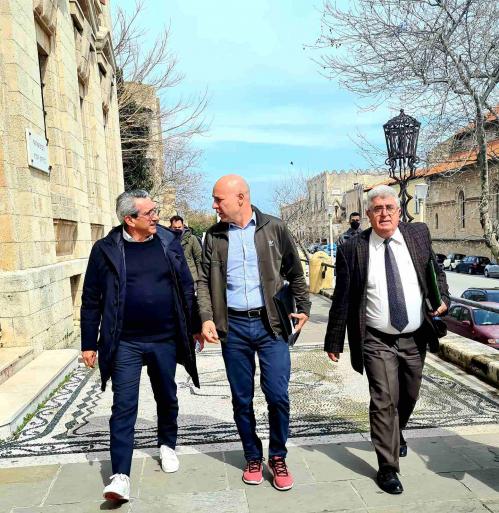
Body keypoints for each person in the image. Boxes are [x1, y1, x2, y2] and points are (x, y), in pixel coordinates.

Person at [324, 185, 449, 495]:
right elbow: (343, 297)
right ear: (368, 214)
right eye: (377, 209)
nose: (384, 214)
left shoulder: (418, 235)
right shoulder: (353, 248)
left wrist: (443, 298)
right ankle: (387, 467)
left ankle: (397, 431)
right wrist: (334, 340)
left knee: (409, 393)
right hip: (376, 338)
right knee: (383, 399)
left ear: (398, 211)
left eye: (389, 208)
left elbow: (435, 271)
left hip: (414, 336)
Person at [80, 190, 200, 502]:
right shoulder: (105, 249)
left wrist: (196, 326)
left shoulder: (168, 242)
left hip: (165, 338)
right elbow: (91, 299)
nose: (156, 217)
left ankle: (167, 444)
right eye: (149, 213)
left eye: (155, 211)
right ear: (129, 219)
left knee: (167, 395)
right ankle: (120, 475)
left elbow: (186, 286)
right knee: (123, 406)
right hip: (125, 342)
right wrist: (88, 342)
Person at [197, 174, 311, 491]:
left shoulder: (274, 227)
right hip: (233, 328)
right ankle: (252, 456)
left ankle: (278, 456)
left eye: (218, 199)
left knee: (278, 395)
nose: (214, 205)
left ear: (241, 198)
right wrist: (206, 317)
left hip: (271, 324)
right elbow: (203, 282)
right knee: (241, 398)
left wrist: (304, 307)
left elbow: (295, 272)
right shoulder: (214, 236)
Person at [169, 215, 202, 285]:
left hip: (191, 279)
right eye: (175, 227)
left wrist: (201, 279)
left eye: (179, 227)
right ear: (171, 227)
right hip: (174, 280)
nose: (177, 229)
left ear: (183, 226)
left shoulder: (192, 239)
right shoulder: (166, 240)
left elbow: (199, 258)